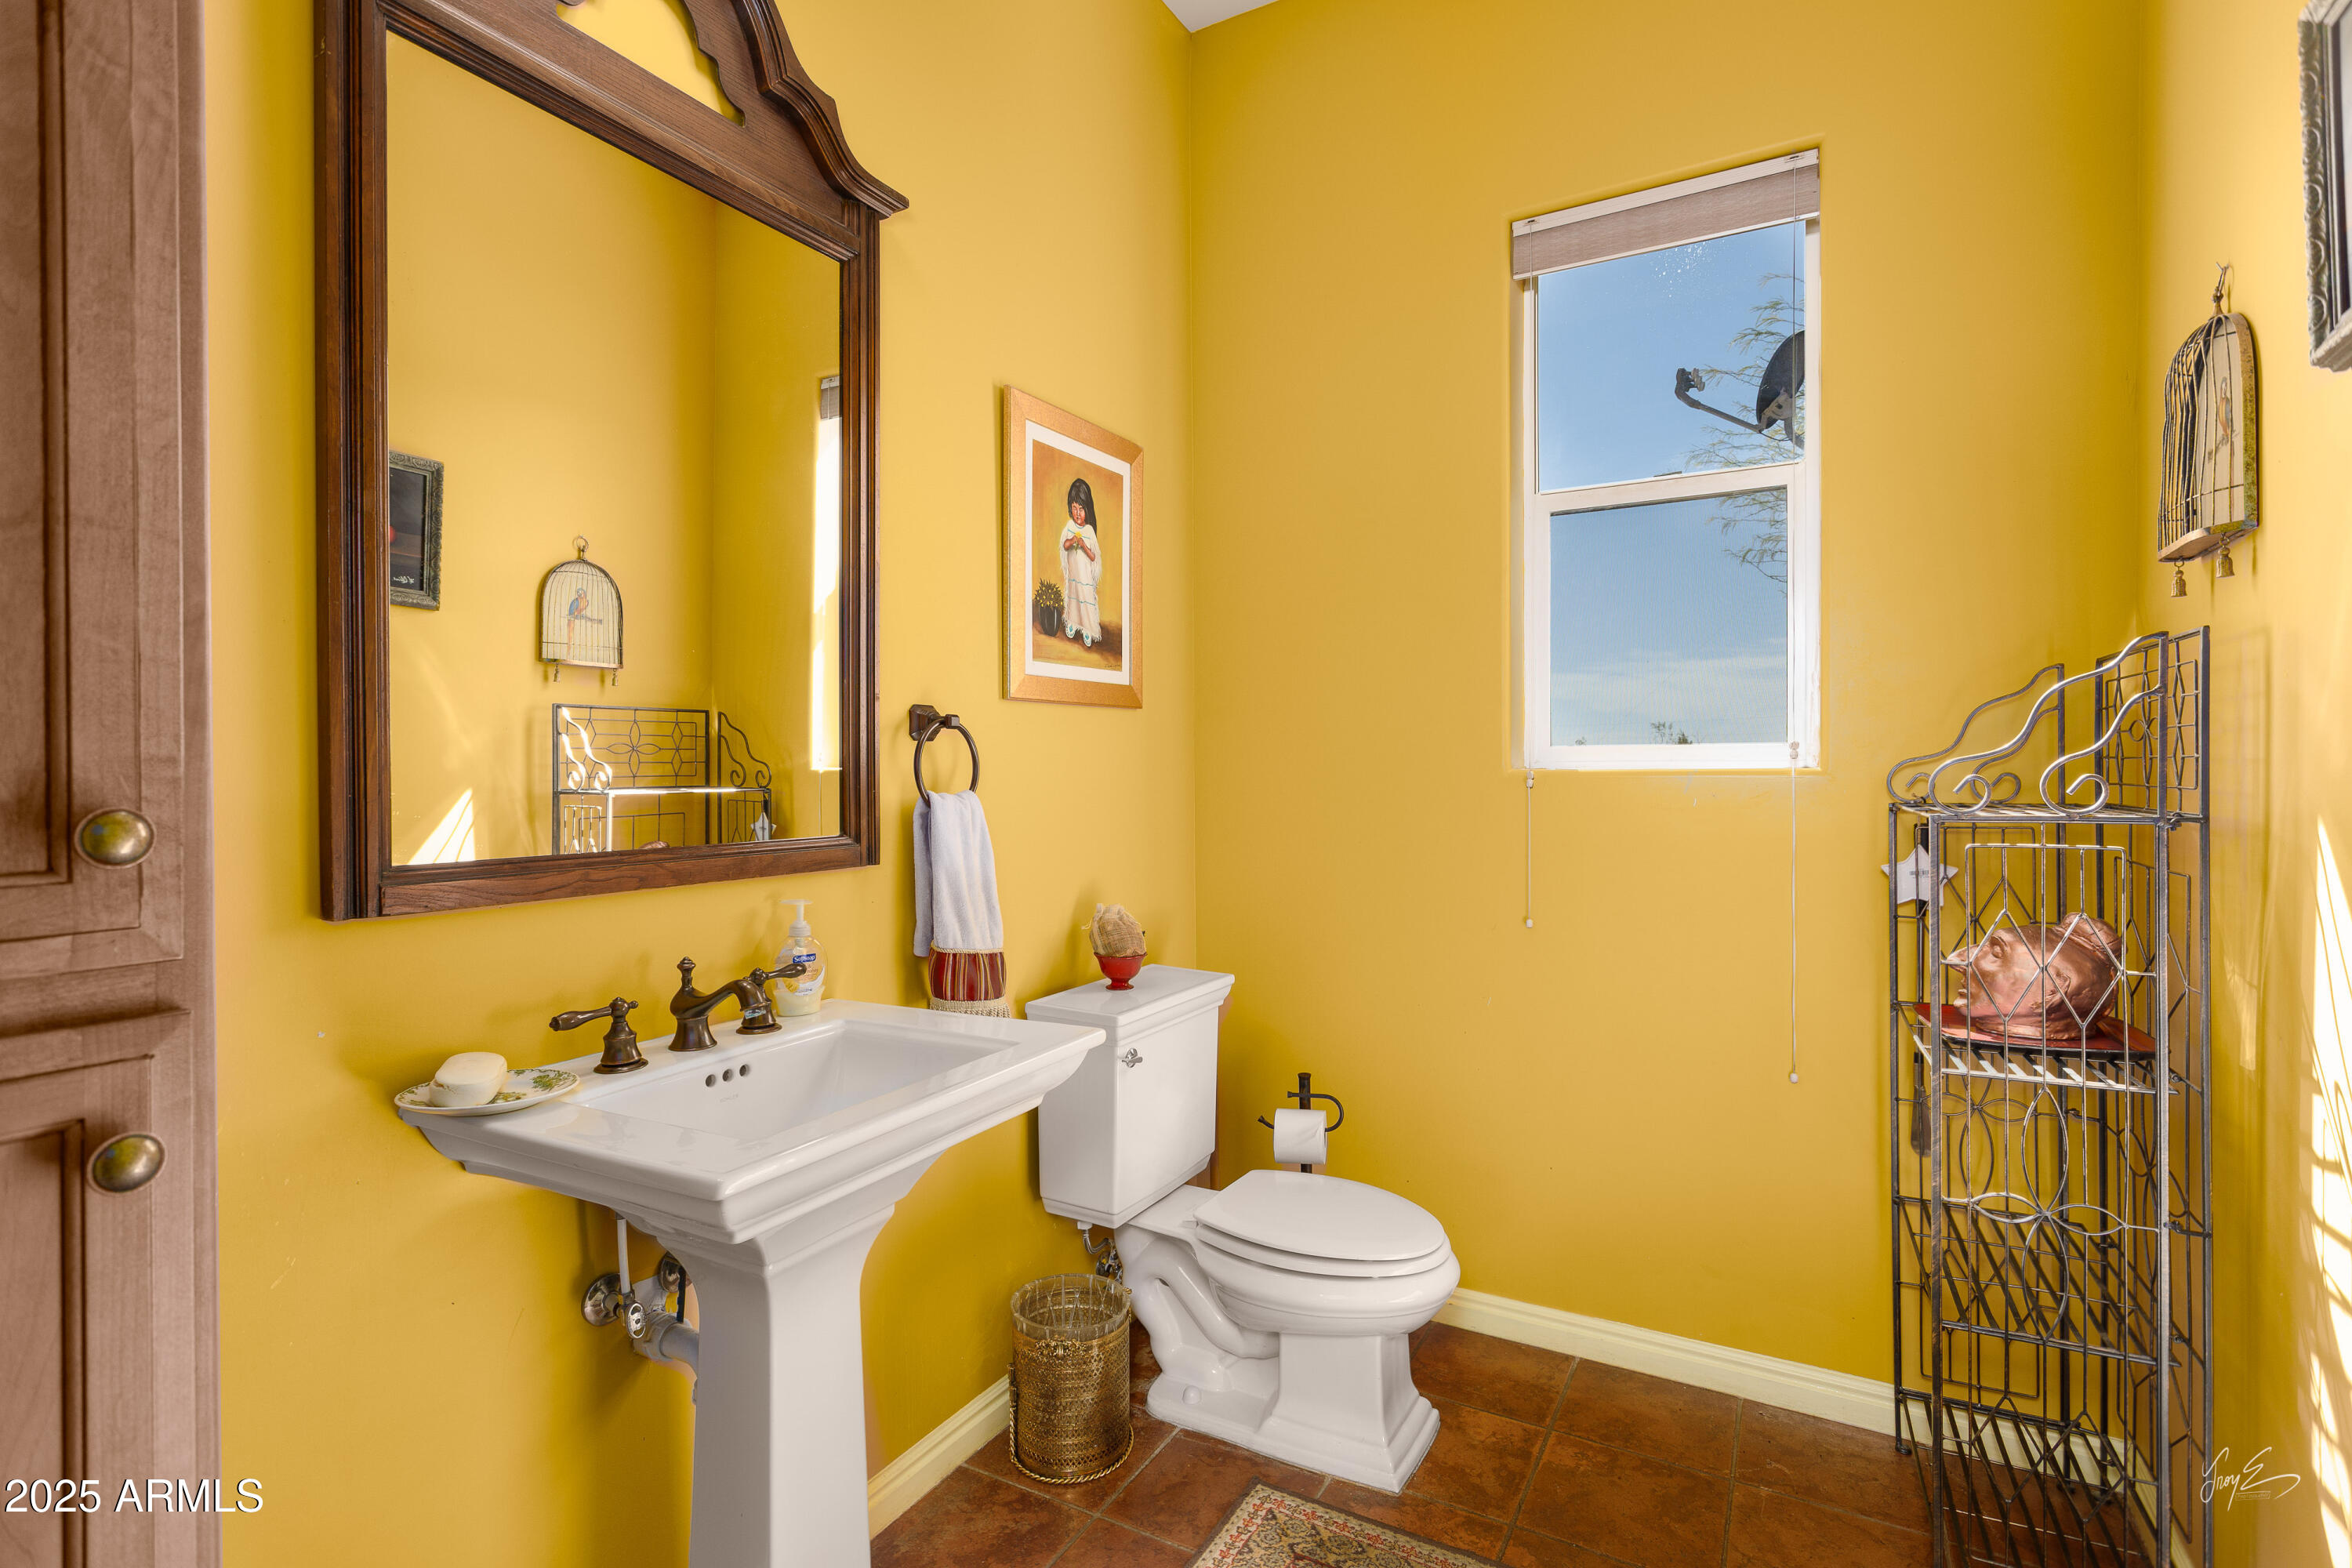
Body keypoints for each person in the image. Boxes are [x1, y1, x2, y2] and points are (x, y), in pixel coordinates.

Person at [1058, 477, 1103, 648]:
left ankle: (1087, 628)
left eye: (1081, 509)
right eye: (1074, 508)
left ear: (1087, 509)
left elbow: (1094, 557)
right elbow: (1065, 545)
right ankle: (1072, 621)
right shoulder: (1070, 526)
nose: (1077, 513)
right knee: (1074, 598)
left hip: (1085, 578)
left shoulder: (1090, 531)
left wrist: (1083, 545)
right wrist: (1072, 540)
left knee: (1085, 599)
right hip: (1074, 577)